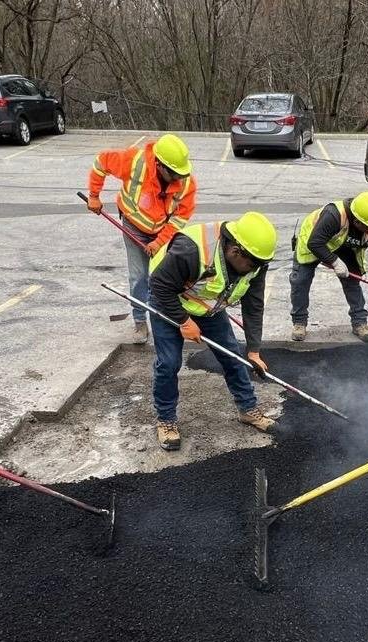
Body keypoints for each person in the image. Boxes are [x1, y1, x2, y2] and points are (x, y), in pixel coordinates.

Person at [146, 211, 278, 450]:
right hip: (168, 301)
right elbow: (159, 285)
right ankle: (166, 420)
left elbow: (253, 306)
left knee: (233, 357)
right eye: (251, 265)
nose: (254, 270)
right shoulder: (192, 249)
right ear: (235, 251)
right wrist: (184, 321)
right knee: (169, 363)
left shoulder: (256, 263)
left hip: (208, 307)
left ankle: (248, 409)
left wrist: (254, 350)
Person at [86, 133, 196, 343]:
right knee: (139, 276)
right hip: (133, 226)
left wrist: (160, 241)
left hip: (163, 231)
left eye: (180, 174)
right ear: (159, 164)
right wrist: (93, 196)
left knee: (169, 276)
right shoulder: (135, 162)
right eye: (173, 173)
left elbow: (181, 217)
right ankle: (139, 321)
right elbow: (101, 162)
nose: (177, 178)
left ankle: (176, 320)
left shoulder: (185, 182)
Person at [289, 191, 368, 343]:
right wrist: (335, 262)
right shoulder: (334, 215)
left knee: (352, 281)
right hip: (314, 241)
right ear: (357, 221)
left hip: (342, 245)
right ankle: (299, 322)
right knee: (301, 280)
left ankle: (359, 323)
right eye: (367, 227)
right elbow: (315, 242)